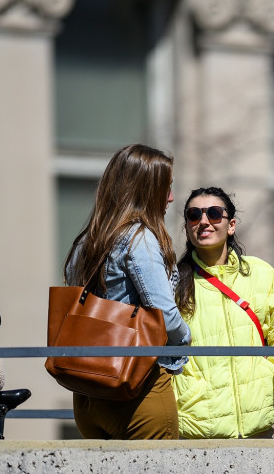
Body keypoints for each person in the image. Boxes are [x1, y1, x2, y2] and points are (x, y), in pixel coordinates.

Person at [63, 143, 191, 439]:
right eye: (166, 187)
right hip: (136, 388)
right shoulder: (140, 239)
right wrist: (186, 339)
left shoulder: (86, 242)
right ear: (147, 190)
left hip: (88, 392)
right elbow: (164, 315)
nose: (171, 197)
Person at [172, 187, 274, 440]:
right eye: (194, 215)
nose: (203, 221)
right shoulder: (173, 282)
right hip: (193, 434)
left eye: (213, 213)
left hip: (258, 432)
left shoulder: (261, 274)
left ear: (231, 225)